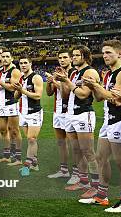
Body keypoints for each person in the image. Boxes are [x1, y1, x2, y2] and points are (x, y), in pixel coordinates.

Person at [79, 39, 121, 212]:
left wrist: (97, 87)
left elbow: (117, 99)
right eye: (103, 53)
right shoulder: (109, 74)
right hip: (108, 119)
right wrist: (94, 86)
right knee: (100, 157)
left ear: (119, 54)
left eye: (109, 53)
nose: (104, 56)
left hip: (120, 120)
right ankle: (101, 196)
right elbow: (100, 98)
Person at [54, 45, 100, 198]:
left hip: (83, 114)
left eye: (76, 55)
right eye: (72, 55)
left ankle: (96, 185)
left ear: (84, 57)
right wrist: (62, 80)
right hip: (70, 115)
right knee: (76, 150)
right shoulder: (74, 72)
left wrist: (67, 80)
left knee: (87, 151)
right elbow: (66, 94)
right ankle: (83, 181)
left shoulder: (90, 72)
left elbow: (83, 94)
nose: (73, 57)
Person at [46, 50, 76, 180]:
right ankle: (64, 171)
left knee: (74, 145)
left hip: (69, 112)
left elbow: (69, 92)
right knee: (61, 143)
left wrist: (57, 81)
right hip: (57, 112)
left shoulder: (74, 73)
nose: (62, 60)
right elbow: (49, 93)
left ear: (70, 59)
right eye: (60, 58)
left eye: (65, 57)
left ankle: (77, 173)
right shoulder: (57, 73)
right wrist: (49, 82)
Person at [12, 56, 44, 176]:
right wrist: (18, 89)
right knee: (30, 140)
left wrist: (23, 90)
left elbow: (38, 96)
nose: (23, 65)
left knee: (31, 139)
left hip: (34, 112)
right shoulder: (21, 78)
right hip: (23, 113)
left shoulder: (36, 77)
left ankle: (26, 166)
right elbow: (16, 97)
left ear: (30, 63)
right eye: (21, 63)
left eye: (25, 63)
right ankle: (35, 164)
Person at [0, 49, 22, 164]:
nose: (4, 59)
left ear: (12, 58)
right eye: (3, 57)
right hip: (0, 104)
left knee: (14, 130)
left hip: (11, 103)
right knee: (3, 130)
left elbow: (13, 88)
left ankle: (18, 157)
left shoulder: (15, 71)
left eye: (7, 56)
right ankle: (7, 155)